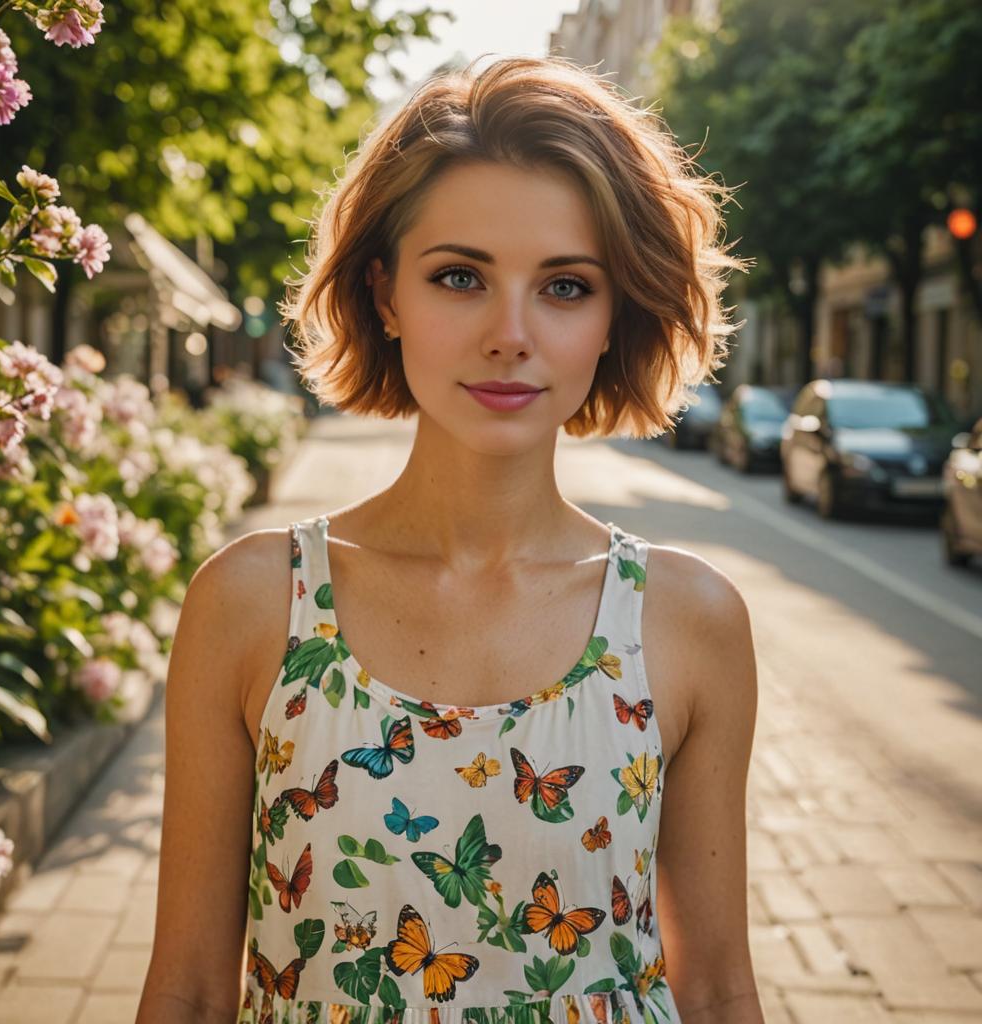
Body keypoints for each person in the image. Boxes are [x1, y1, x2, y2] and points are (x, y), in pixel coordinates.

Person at [136, 55, 762, 1024]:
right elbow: (184, 988)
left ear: (612, 316)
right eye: (460, 276)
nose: (510, 333)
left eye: (563, 286)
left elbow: (717, 990)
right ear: (385, 295)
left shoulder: (688, 620)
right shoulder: (254, 600)